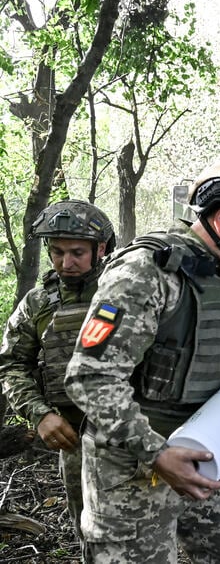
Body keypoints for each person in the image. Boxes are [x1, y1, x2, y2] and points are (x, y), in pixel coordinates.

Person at [64, 156, 220, 562]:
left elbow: (206, 370)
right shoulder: (147, 271)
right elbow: (89, 377)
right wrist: (157, 454)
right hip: (132, 467)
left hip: (201, 449)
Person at [0, 200, 115, 547]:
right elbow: (10, 364)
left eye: (78, 252)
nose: (67, 263)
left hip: (134, 436)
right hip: (74, 437)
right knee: (91, 536)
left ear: (102, 248)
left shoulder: (126, 290)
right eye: (57, 252)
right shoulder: (38, 303)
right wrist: (41, 415)